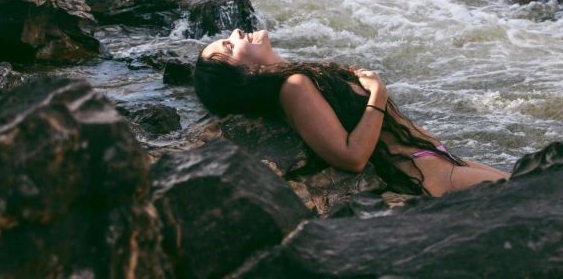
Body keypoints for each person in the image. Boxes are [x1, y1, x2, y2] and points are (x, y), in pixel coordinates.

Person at [194, 29, 510, 196]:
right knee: (546, 200)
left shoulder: (293, 79)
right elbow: (352, 156)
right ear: (245, 74)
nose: (236, 32)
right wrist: (377, 93)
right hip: (426, 173)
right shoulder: (293, 86)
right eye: (229, 45)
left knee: (540, 186)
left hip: (438, 160)